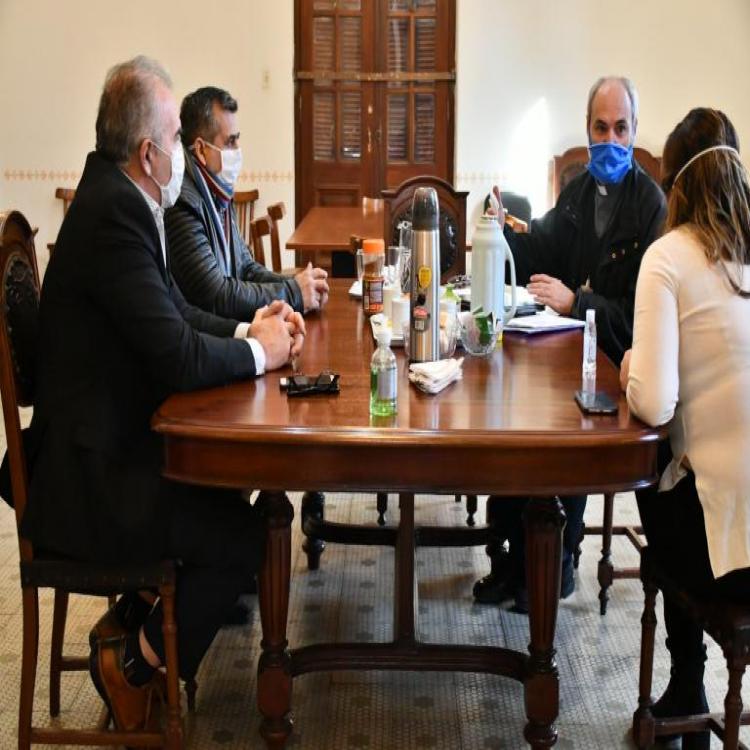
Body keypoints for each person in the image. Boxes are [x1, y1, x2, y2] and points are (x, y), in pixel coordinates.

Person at [0, 56, 305, 731]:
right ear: (148, 152)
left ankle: (132, 622)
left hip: (105, 447)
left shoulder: (117, 198)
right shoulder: (116, 215)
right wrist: (263, 353)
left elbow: (176, 314)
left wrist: (248, 328)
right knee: (249, 537)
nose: (182, 157)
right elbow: (177, 354)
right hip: (90, 480)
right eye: (174, 140)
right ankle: (133, 665)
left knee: (230, 494)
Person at [474, 76, 667, 611]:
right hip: (564, 356)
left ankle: (557, 557)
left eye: (621, 128)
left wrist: (577, 303)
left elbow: (639, 319)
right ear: (587, 129)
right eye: (601, 128)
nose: (611, 140)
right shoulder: (578, 190)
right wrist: (499, 232)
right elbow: (540, 248)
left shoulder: (651, 208)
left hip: (615, 369)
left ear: (634, 130)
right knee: (511, 418)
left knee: (567, 437)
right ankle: (512, 557)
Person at [621, 108, 750, 750]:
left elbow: (653, 403)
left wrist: (628, 367)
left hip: (729, 558)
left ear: (673, 186)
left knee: (657, 474)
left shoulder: (667, 257)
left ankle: (688, 681)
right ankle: (688, 682)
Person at [165, 86, 329, 320]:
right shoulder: (183, 203)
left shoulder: (218, 192)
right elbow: (215, 295)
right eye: (230, 142)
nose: (238, 151)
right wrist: (293, 292)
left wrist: (299, 283)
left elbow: (246, 269)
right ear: (201, 149)